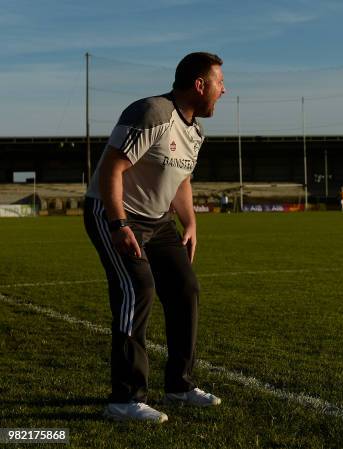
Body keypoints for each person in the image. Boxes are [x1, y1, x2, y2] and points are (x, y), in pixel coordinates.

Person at [83, 52, 226, 423]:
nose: (223, 90)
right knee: (138, 288)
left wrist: (190, 223)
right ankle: (124, 398)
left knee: (185, 289)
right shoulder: (151, 112)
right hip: (113, 212)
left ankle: (179, 386)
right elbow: (113, 167)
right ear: (199, 85)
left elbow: (181, 181)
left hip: (159, 222)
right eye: (219, 82)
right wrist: (118, 225)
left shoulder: (195, 130)